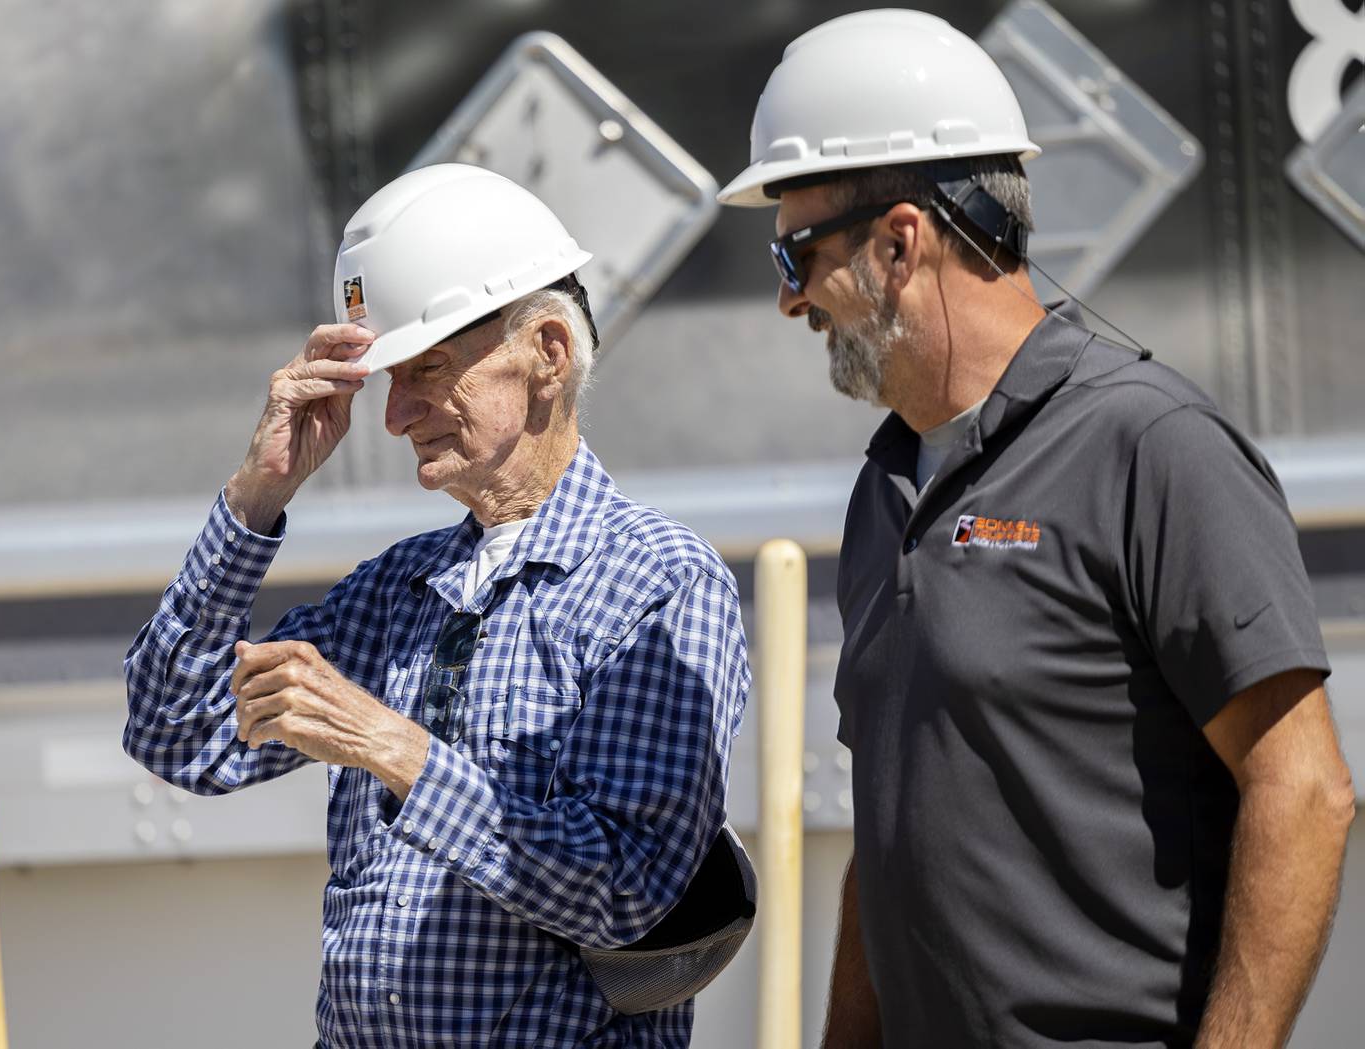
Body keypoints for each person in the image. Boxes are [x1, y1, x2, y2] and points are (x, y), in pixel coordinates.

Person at [718, 10, 1354, 1048]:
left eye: (796, 256)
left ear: (899, 241)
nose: (791, 303)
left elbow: (1305, 788)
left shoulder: (1151, 446)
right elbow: (892, 842)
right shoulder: (886, 487)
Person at [123, 164, 751, 1048]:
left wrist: (392, 747)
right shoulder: (394, 590)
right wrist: (257, 495)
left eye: (427, 369)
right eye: (387, 378)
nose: (394, 415)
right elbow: (174, 733)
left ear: (548, 353)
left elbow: (629, 889)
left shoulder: (660, 581)